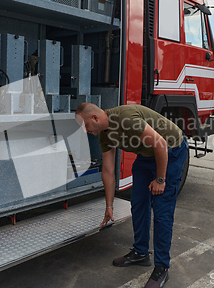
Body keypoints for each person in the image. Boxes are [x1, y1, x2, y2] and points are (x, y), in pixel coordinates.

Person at [75, 103, 188, 288]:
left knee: (161, 211)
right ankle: (140, 253)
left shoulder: (125, 118)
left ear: (95, 118)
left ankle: (162, 268)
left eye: (86, 126)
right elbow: (108, 171)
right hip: (146, 155)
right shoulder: (104, 136)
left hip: (171, 150)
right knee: (138, 203)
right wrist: (109, 207)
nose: (86, 131)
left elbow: (160, 143)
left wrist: (160, 179)